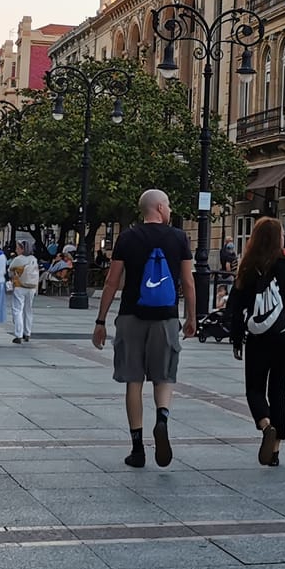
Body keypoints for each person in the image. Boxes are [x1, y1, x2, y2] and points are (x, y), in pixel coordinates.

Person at [93, 189, 196, 468]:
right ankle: (162, 418)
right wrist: (191, 317)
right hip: (165, 317)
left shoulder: (127, 237)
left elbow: (112, 282)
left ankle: (137, 449)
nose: (170, 210)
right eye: (169, 205)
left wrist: (100, 321)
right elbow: (188, 282)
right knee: (164, 377)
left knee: (134, 381)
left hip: (131, 316)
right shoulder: (179, 237)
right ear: (160, 207)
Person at [226, 215, 285, 465]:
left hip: (259, 338)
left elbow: (235, 308)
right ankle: (275, 451)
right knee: (278, 390)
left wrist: (236, 339)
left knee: (254, 389)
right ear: (278, 239)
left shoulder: (247, 267)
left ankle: (266, 426)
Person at [6, 238, 40, 343]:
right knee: (28, 310)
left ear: (22, 249)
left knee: (17, 310)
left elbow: (10, 271)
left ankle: (18, 334)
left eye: (18, 248)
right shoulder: (34, 259)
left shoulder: (18, 259)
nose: (16, 250)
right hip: (31, 287)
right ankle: (27, 333)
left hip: (20, 286)